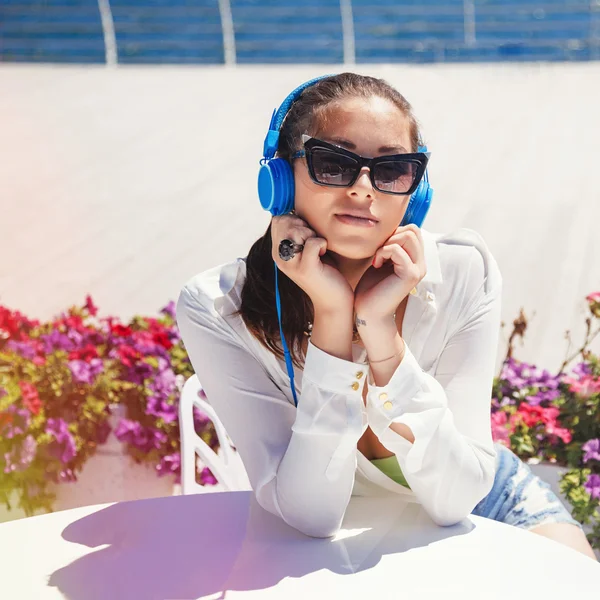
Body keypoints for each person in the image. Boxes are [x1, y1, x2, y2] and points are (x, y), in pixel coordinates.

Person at [176, 73, 596, 561]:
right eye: (333, 163)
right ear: (281, 179)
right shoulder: (217, 306)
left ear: (415, 193)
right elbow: (312, 515)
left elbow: (458, 497)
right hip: (338, 532)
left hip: (480, 497)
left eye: (392, 170)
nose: (362, 189)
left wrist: (381, 334)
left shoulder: (462, 271)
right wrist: (333, 315)